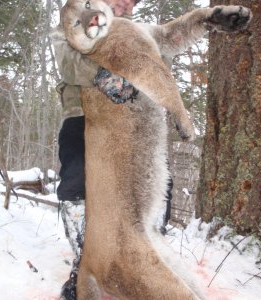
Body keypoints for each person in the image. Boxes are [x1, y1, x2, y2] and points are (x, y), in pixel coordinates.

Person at [51, 0, 172, 299]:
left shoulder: (141, 32)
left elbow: (158, 71)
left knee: (154, 184)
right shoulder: (76, 21)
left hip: (131, 121)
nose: (126, 4)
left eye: (132, 1)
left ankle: (146, 262)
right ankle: (86, 264)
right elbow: (66, 61)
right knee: (77, 181)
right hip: (82, 116)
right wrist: (104, 78)